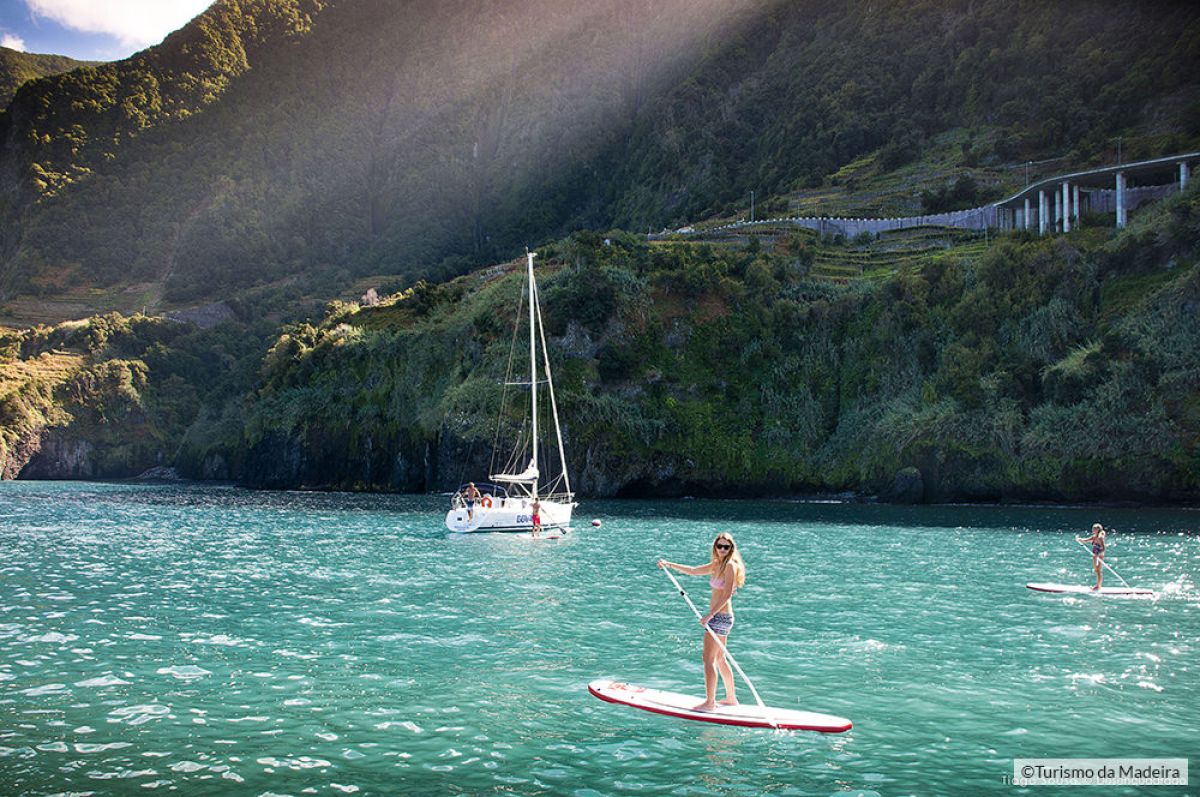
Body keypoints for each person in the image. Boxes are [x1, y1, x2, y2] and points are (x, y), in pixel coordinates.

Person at [657, 532, 745, 711]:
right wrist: (669, 565)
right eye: (719, 546)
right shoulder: (718, 564)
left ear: (731, 548)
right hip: (721, 617)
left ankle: (710, 702)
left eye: (726, 547)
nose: (722, 549)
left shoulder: (730, 565)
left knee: (708, 660)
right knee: (720, 659)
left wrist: (710, 615)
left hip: (719, 617)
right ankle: (731, 698)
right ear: (715, 547)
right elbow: (694, 571)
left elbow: (727, 595)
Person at [1076, 523, 1107, 590]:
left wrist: (1099, 555)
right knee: (1096, 570)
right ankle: (1097, 585)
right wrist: (1079, 539)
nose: (1093, 530)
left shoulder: (1100, 537)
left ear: (1098, 529)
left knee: (1098, 570)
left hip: (1099, 554)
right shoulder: (1094, 536)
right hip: (1095, 554)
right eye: (1093, 528)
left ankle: (1098, 586)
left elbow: (1103, 548)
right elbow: (1085, 540)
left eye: (1094, 529)